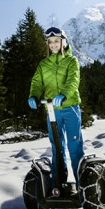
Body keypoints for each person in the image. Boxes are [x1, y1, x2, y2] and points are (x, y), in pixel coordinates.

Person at [28, 27, 84, 185]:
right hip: (52, 110)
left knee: (74, 145)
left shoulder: (71, 61)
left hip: (70, 106)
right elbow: (37, 82)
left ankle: (82, 184)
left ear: (63, 42)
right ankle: (59, 184)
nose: (53, 44)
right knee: (57, 146)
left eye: (56, 41)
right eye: (50, 42)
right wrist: (33, 95)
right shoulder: (43, 64)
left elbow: (74, 79)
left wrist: (65, 94)